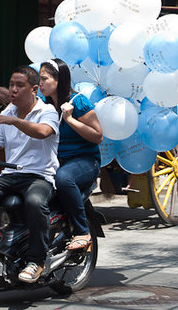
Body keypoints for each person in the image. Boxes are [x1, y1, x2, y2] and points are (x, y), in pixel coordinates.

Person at [0, 66, 59, 283]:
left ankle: (36, 261)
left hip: (39, 176)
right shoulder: (6, 113)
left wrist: (14, 121)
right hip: (10, 176)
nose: (13, 90)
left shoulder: (47, 112)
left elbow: (43, 132)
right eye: (11, 85)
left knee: (35, 202)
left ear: (34, 89)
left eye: (20, 85)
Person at [39, 58, 103, 251]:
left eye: (44, 79)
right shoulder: (43, 104)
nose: (40, 83)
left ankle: (82, 231)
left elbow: (98, 136)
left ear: (58, 80)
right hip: (55, 160)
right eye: (38, 79)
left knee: (64, 179)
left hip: (84, 161)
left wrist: (70, 119)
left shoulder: (78, 102)